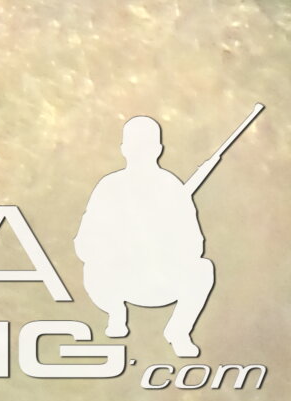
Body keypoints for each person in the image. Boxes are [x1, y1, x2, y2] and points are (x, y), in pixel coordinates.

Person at [76, 113, 225, 359]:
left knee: (203, 269)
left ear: (158, 149)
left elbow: (195, 244)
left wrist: (163, 244)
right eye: (135, 145)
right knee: (94, 268)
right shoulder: (108, 187)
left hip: (159, 280)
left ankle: (178, 331)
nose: (140, 151)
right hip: (116, 280)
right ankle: (115, 314)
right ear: (124, 148)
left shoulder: (172, 188)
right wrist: (116, 250)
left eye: (145, 145)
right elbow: (84, 242)